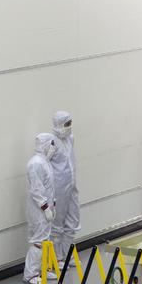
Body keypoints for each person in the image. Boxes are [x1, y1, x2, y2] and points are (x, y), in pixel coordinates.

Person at [23, 133, 57, 284]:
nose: (53, 148)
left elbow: (49, 187)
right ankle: (30, 274)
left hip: (45, 207)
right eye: (52, 144)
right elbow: (36, 189)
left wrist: (52, 205)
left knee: (46, 239)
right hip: (38, 210)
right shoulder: (35, 163)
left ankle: (42, 269)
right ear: (44, 145)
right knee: (38, 241)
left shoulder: (45, 162)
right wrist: (45, 207)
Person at [49, 110, 80, 260]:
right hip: (58, 188)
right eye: (67, 124)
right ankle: (57, 258)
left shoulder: (70, 139)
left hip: (72, 185)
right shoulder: (51, 142)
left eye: (70, 123)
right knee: (57, 224)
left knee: (73, 220)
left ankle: (67, 256)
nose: (69, 127)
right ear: (59, 124)